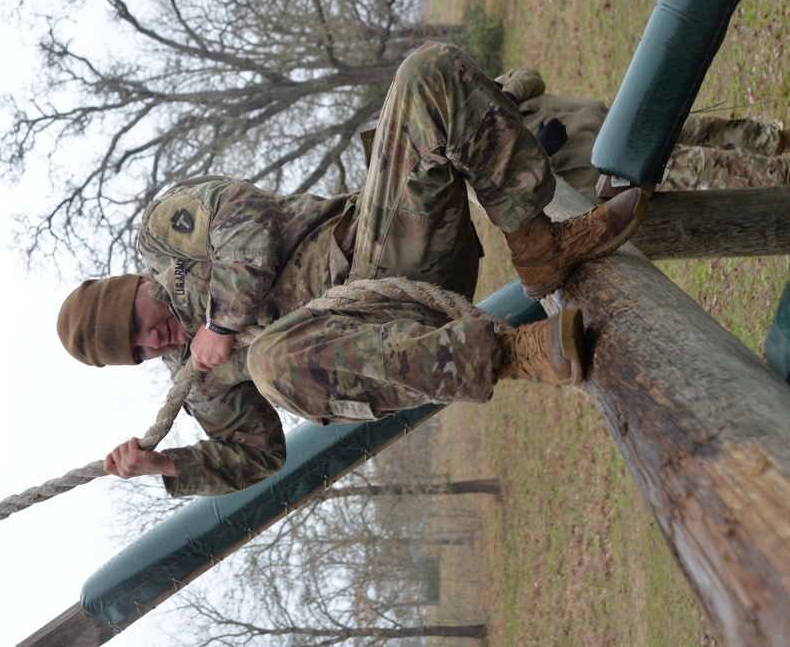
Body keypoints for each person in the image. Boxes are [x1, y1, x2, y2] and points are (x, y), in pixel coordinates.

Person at [56, 42, 648, 498]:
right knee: (269, 363)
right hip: (403, 336)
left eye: (136, 324)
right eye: (135, 352)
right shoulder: (198, 382)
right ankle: (511, 355)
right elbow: (258, 455)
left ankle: (538, 244)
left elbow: (248, 220)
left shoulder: (166, 237)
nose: (150, 341)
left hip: (384, 246)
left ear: (134, 286)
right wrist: (164, 464)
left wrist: (221, 320)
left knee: (427, 72)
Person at [495, 67, 790, 193]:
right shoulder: (470, 168)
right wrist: (539, 154)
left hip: (620, 121)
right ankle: (783, 175)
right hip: (617, 165)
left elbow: (529, 77)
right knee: (715, 168)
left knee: (707, 129)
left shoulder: (478, 98)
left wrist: (507, 97)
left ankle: (778, 141)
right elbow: (519, 196)